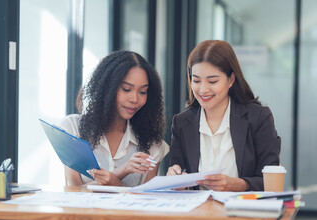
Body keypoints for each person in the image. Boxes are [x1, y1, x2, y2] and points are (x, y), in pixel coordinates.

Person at [167, 40, 281, 191]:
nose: (203, 89)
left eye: (212, 81)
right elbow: (178, 174)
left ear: (231, 79)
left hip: (242, 211)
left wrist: (236, 184)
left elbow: (271, 181)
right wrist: (174, 179)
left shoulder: (259, 117)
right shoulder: (181, 122)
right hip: (197, 213)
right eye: (196, 80)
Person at [60, 50, 169, 187]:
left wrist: (114, 180)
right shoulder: (73, 128)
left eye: (142, 92)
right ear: (107, 88)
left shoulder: (152, 145)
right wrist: (123, 170)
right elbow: (73, 189)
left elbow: (145, 201)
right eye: (126, 89)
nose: (134, 99)